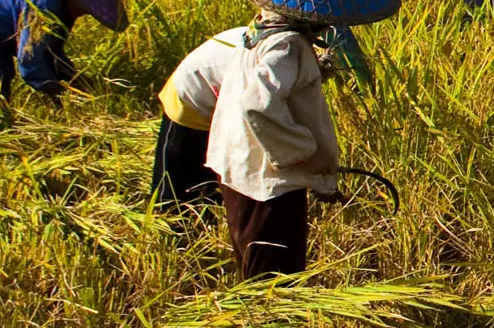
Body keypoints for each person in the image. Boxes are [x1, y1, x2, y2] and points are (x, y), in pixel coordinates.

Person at [207, 0, 402, 278]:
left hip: (239, 164)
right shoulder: (288, 45)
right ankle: (272, 326)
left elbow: (280, 89)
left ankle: (259, 322)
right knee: (275, 277)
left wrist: (319, 69)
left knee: (253, 263)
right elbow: (256, 102)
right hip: (268, 180)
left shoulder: (259, 31)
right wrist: (302, 150)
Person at [154, 20, 365, 208]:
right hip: (192, 95)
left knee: (223, 180)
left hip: (230, 98)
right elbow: (256, 109)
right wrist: (305, 158)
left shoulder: (287, 47)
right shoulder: (283, 52)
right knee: (178, 190)